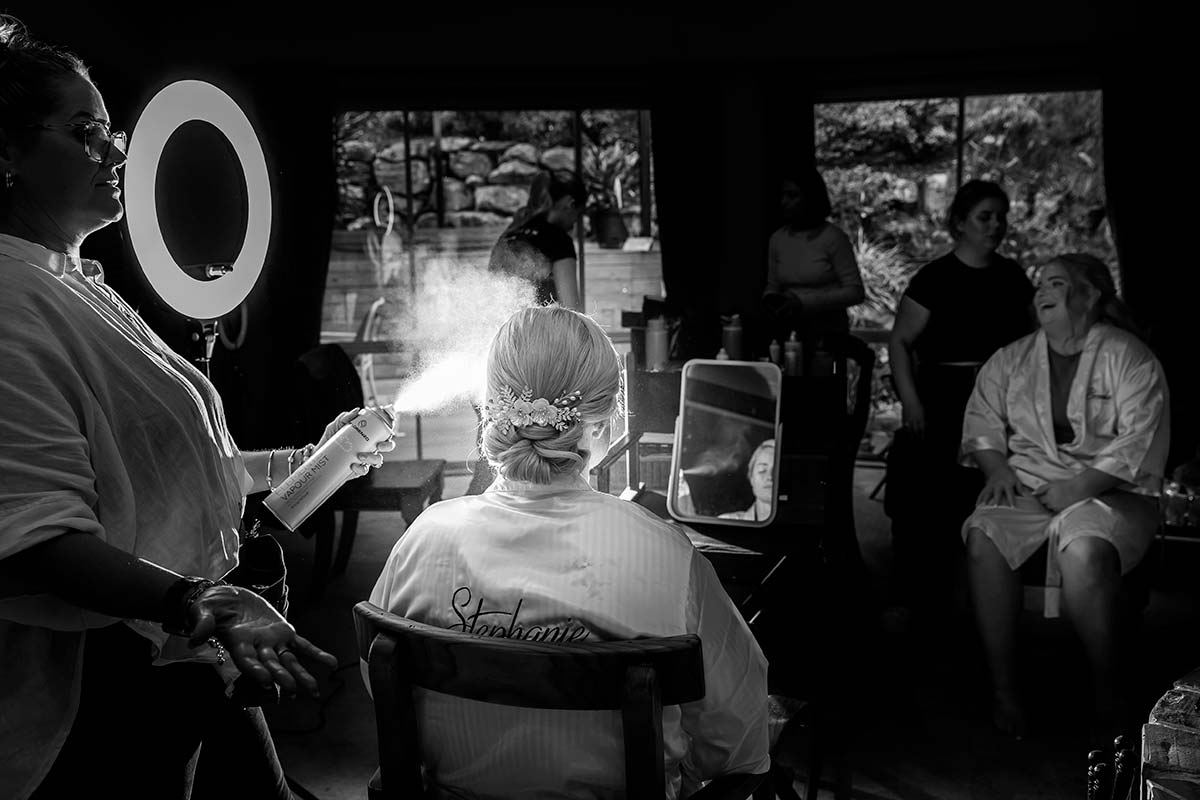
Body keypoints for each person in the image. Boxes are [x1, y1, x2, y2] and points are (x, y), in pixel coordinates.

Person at [0, 18, 393, 799]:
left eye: (112, 131)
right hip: (104, 692)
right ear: (5, 153)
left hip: (182, 658)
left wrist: (308, 462)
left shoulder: (77, 284)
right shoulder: (11, 306)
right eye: (86, 133)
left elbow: (158, 461)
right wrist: (199, 600)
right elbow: (32, 539)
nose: (117, 154)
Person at [368, 305, 770, 799]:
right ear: (600, 424)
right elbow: (741, 743)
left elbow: (379, 687)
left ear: (490, 409)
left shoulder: (421, 541)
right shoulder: (668, 559)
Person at [960, 253, 1168, 743]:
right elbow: (982, 421)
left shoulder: (1129, 357)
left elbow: (1141, 438)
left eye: (1055, 283)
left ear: (1090, 295)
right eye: (1038, 286)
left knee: (1086, 552)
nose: (1041, 293)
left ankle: (1105, 691)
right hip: (1029, 486)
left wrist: (1078, 488)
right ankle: (1004, 690)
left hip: (1114, 493)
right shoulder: (1011, 357)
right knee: (984, 537)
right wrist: (996, 468)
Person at [884, 179, 1035, 630]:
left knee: (985, 497)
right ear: (959, 223)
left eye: (1000, 217)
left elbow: (1032, 345)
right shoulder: (935, 277)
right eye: (984, 217)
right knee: (922, 497)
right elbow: (900, 341)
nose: (995, 226)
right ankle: (913, 597)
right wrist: (910, 401)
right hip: (942, 394)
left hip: (999, 400)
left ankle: (981, 601)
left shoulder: (1012, 277)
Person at [761, 166, 865, 358]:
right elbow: (773, 285)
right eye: (783, 195)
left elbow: (855, 292)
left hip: (827, 335)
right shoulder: (778, 239)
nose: (785, 202)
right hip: (788, 332)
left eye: (793, 196)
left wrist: (804, 302)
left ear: (810, 198)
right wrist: (771, 300)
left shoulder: (833, 238)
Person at [488, 171, 586, 311]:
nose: (575, 222)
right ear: (569, 203)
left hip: (500, 327)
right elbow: (571, 310)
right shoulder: (559, 241)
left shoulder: (510, 233)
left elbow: (490, 289)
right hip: (537, 329)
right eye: (578, 214)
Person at [719, 438, 775, 521]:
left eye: (777, 471)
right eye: (762, 470)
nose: (770, 477)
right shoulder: (729, 522)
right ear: (751, 478)